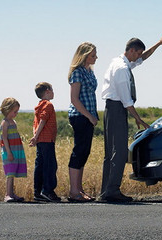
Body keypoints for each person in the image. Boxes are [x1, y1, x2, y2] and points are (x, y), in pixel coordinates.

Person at [100, 36, 162, 202]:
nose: (139, 56)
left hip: (111, 109)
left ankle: (106, 191)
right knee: (120, 152)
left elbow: (142, 58)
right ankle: (112, 191)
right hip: (117, 109)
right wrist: (139, 119)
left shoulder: (119, 61)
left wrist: (159, 45)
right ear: (131, 50)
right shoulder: (121, 69)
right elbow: (127, 101)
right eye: (137, 53)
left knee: (110, 152)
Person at [67, 42, 99, 202]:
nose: (96, 58)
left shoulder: (89, 72)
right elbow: (74, 99)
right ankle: (73, 191)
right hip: (80, 116)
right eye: (93, 55)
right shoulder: (77, 72)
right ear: (84, 55)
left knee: (84, 152)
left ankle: (79, 190)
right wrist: (89, 116)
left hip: (89, 116)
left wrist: (93, 116)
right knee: (79, 151)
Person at [29, 82, 61, 202]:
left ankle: (38, 191)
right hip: (47, 140)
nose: (53, 92)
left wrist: (35, 137)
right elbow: (42, 121)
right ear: (47, 91)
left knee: (40, 165)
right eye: (52, 90)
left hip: (41, 141)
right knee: (50, 165)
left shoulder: (39, 105)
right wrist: (36, 137)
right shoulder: (48, 105)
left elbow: (35, 123)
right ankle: (47, 190)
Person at [0, 97, 27, 202]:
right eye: (14, 111)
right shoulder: (5, 123)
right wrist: (9, 152)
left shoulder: (12, 121)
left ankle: (12, 193)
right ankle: (7, 194)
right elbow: (4, 138)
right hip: (9, 150)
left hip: (16, 150)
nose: (16, 114)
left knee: (13, 171)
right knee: (10, 173)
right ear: (7, 109)